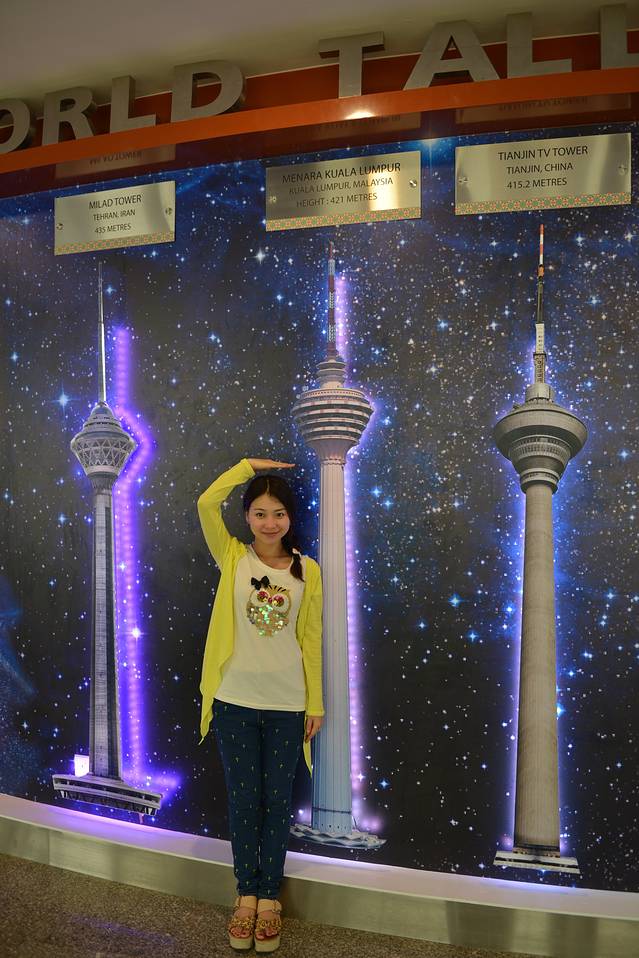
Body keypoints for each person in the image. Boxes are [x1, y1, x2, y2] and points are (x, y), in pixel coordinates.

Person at [197, 457, 324, 953]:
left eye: (279, 513)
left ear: (290, 517)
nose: (270, 523)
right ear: (247, 516)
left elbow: (310, 640)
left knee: (277, 803)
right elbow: (206, 502)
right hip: (234, 700)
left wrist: (315, 704)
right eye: (259, 513)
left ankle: (270, 897)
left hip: (287, 704)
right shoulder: (233, 557)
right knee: (244, 801)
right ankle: (245, 895)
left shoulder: (307, 571)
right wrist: (245, 468)